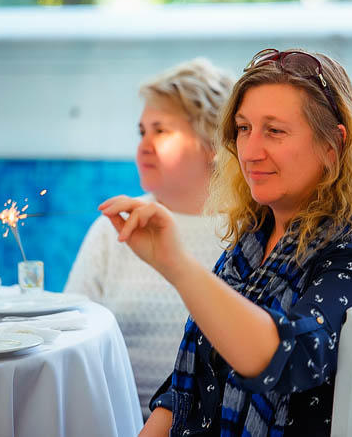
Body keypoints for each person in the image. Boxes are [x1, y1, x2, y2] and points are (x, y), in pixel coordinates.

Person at [100, 48, 352, 436]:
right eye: (244, 128)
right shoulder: (247, 248)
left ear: (332, 145)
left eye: (275, 131)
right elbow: (187, 387)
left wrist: (176, 265)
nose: (249, 152)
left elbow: (288, 356)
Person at [65, 58, 234, 419]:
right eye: (142, 131)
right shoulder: (115, 228)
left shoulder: (248, 233)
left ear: (213, 142)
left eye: (161, 130)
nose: (144, 145)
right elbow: (70, 333)